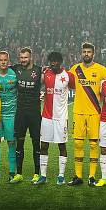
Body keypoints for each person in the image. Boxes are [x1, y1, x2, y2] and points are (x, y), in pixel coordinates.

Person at [68, 42, 106, 186]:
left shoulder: (102, 70)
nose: (86, 54)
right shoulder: (75, 69)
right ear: (81, 53)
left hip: (94, 113)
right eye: (84, 51)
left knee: (93, 145)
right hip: (78, 112)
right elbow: (69, 84)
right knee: (78, 143)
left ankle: (92, 177)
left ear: (93, 54)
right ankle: (78, 176)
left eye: (89, 52)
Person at [34, 51, 75, 186]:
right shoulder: (45, 73)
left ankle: (61, 175)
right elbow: (36, 85)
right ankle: (43, 175)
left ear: (60, 62)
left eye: (56, 61)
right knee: (44, 145)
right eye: (52, 61)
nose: (54, 63)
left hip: (61, 118)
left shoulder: (68, 76)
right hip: (46, 117)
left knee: (61, 145)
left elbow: (79, 89)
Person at [12, 47, 43, 183]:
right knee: (19, 142)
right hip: (20, 112)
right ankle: (19, 173)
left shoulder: (39, 70)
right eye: (21, 57)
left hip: (35, 112)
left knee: (36, 143)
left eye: (25, 57)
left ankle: (37, 173)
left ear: (31, 57)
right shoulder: (15, 69)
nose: (23, 60)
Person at [0, 51, 18, 182]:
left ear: (8, 61)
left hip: (11, 114)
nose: (3, 62)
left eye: (5, 60)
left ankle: (12, 171)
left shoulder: (14, 74)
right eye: (1, 60)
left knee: (12, 142)